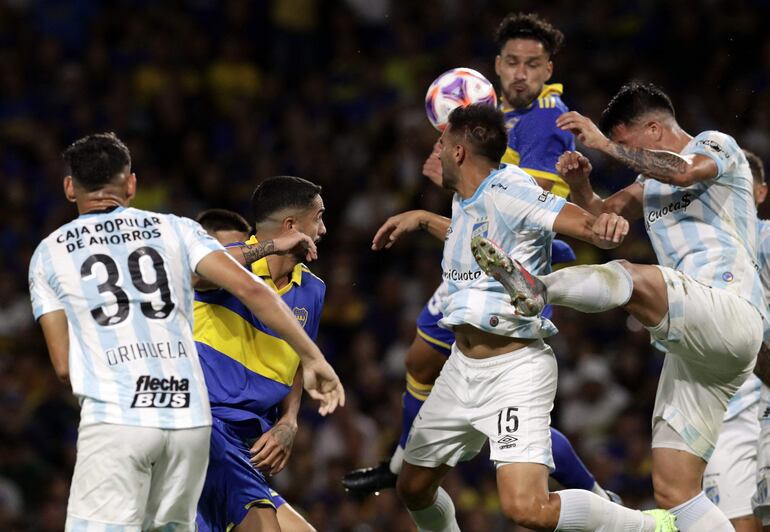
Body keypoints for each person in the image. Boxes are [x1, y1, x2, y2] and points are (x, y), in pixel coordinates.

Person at [343, 12, 613, 504]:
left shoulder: (548, 119)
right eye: (512, 62)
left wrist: (456, 170)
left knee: (503, 413)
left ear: (549, 69)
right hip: (473, 258)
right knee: (420, 360)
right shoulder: (488, 114)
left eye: (532, 64)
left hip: (514, 271)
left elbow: (518, 198)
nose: (521, 74)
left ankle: (597, 496)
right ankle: (400, 462)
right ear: (496, 65)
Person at [476, 82, 765, 532]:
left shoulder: (714, 145)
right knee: (675, 489)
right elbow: (602, 217)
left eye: (628, 144)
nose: (627, 156)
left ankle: (540, 290)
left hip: (731, 309)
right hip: (696, 347)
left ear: (654, 130)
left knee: (633, 276)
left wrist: (605, 144)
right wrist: (580, 185)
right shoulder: (649, 183)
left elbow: (685, 172)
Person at [375, 104, 675, 531]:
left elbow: (584, 225)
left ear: (458, 152)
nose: (435, 152)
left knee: (526, 509)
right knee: (413, 488)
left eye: (441, 144)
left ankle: (649, 527)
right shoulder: (467, 199)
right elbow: (472, 236)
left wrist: (602, 228)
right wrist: (424, 219)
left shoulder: (510, 188)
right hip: (460, 370)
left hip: (513, 370)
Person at [28, 133, 344, 531]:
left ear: (69, 187)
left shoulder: (49, 253)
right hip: (188, 417)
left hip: (120, 416)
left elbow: (63, 366)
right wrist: (316, 358)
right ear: (131, 184)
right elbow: (250, 289)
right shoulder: (172, 229)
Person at [193, 179, 327, 532]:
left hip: (246, 443)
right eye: (318, 218)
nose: (323, 230)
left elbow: (299, 360)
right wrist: (271, 247)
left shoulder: (313, 289)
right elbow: (194, 272)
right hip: (207, 423)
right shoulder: (232, 262)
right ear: (291, 226)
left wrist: (290, 421)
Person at [703, 151, 767, 532]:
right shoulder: (699, 251)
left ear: (759, 192)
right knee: (738, 524)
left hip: (766, 402)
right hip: (728, 411)